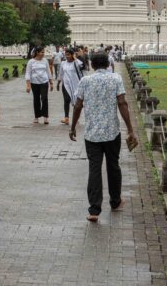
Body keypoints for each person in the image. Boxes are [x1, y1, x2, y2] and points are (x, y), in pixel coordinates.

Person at [69, 52, 138, 222]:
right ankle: (115, 201)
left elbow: (78, 105)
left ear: (92, 65)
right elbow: (122, 103)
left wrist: (73, 127)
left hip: (92, 134)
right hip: (112, 132)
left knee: (94, 169)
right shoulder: (115, 79)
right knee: (113, 166)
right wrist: (130, 128)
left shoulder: (85, 81)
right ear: (108, 64)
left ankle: (94, 209)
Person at [25, 45, 53, 124]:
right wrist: (28, 85)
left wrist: (51, 83)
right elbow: (28, 73)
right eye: (42, 52)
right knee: (36, 99)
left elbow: (48, 71)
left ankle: (45, 117)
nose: (43, 54)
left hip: (44, 82)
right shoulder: (31, 62)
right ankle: (36, 116)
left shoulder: (45, 61)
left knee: (44, 98)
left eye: (44, 52)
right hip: (34, 83)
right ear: (37, 52)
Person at [58, 48, 84, 125]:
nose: (67, 56)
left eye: (69, 55)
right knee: (66, 99)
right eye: (66, 55)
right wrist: (58, 82)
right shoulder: (63, 63)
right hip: (65, 84)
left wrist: (75, 58)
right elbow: (61, 73)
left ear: (72, 55)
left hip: (75, 84)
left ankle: (76, 117)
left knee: (76, 101)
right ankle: (66, 118)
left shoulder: (76, 63)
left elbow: (81, 65)